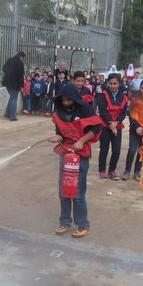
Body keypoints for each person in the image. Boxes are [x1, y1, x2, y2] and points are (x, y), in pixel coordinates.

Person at [47, 84, 102, 238]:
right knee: (64, 190)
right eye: (63, 100)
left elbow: (96, 127)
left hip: (81, 154)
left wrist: (81, 141)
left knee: (78, 193)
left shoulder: (85, 108)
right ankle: (65, 222)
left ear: (75, 99)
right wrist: (58, 137)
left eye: (68, 100)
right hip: (65, 153)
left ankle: (83, 224)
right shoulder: (59, 111)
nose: (65, 103)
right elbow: (60, 131)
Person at [122, 79, 143, 181]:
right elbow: (131, 115)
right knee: (132, 150)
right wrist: (137, 127)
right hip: (134, 129)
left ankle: (137, 171)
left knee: (142, 151)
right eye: (142, 88)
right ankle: (127, 171)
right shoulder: (135, 99)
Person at [97, 73, 128, 180]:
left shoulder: (124, 97)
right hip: (105, 125)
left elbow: (123, 113)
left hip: (117, 126)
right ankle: (102, 170)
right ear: (107, 83)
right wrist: (111, 124)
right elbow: (102, 111)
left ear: (119, 84)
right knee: (104, 149)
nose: (113, 86)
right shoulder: (102, 95)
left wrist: (117, 123)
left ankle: (112, 170)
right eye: (111, 83)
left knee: (117, 150)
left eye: (115, 83)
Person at [2, 50, 25, 121]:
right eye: (23, 58)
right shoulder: (20, 63)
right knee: (14, 98)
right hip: (15, 84)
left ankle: (7, 114)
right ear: (21, 57)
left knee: (12, 97)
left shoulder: (9, 60)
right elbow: (21, 75)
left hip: (7, 82)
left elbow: (3, 69)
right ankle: (12, 116)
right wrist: (21, 86)